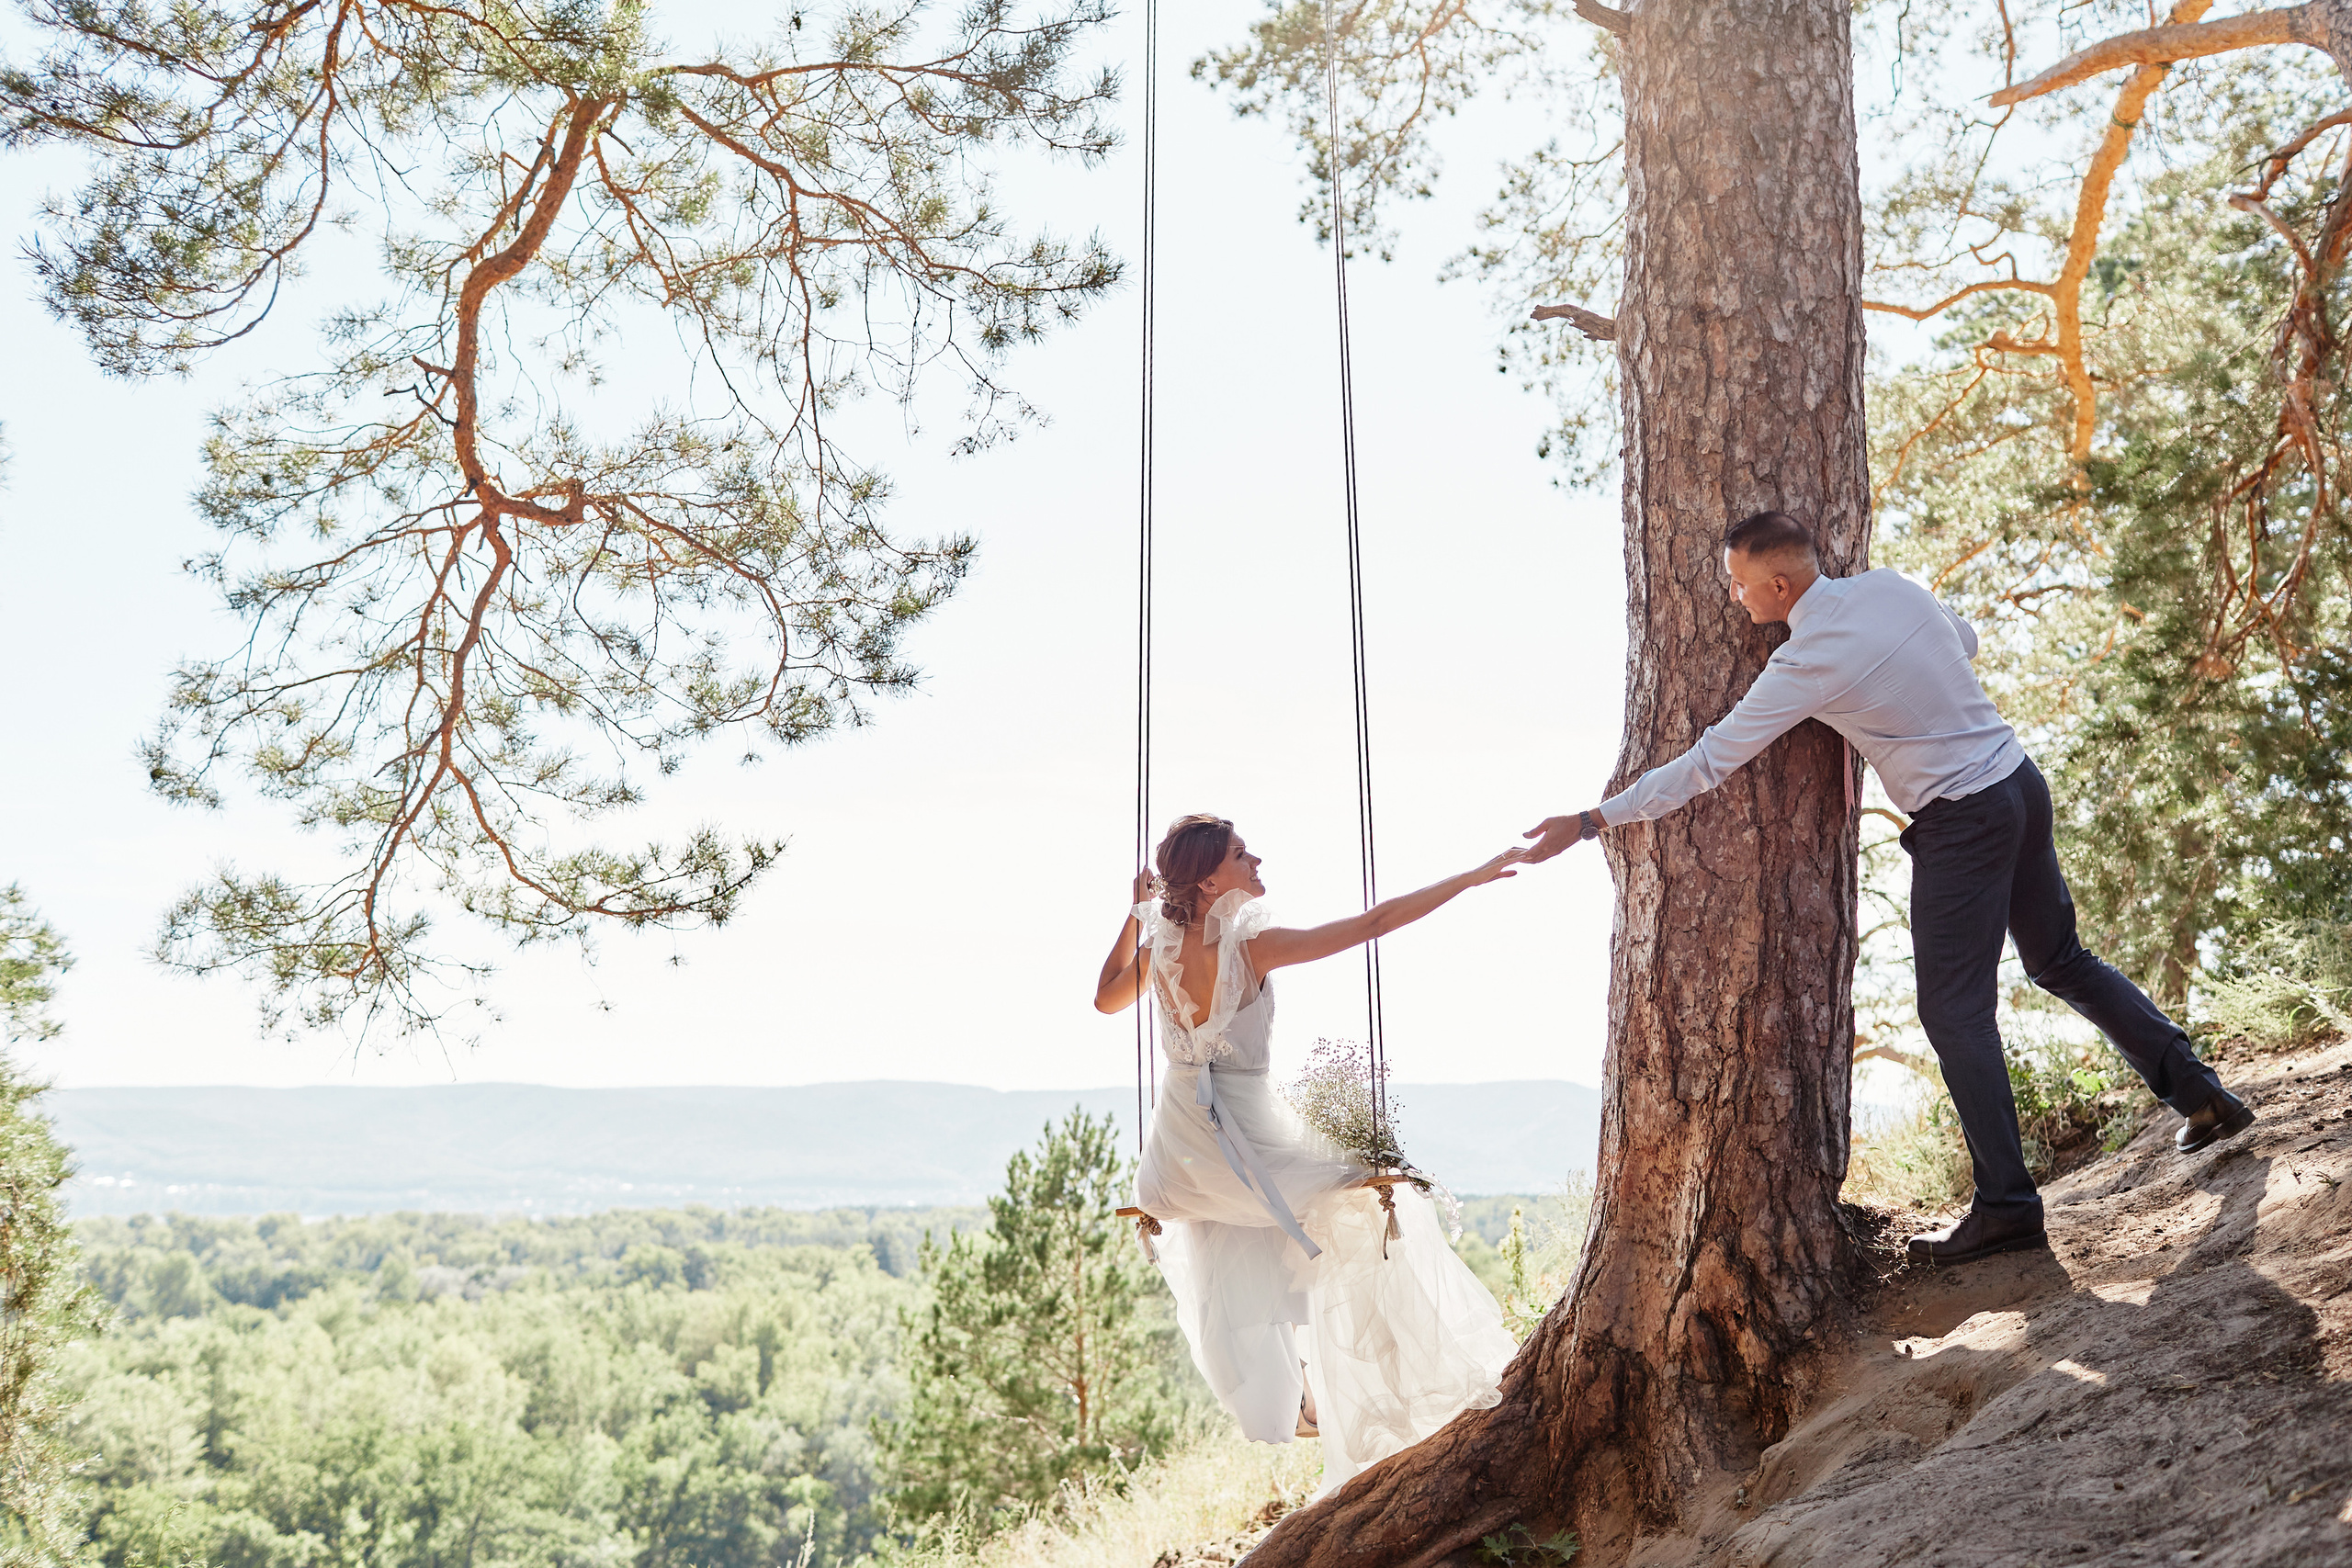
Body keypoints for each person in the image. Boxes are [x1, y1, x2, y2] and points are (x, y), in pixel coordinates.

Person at [1523, 509, 2256, 1267]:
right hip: (2018, 782)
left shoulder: (1804, 663)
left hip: (1964, 821)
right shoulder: (1892, 588)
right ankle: (2204, 1095)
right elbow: (1964, 641)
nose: (1735, 600)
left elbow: (1709, 761)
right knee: (2061, 959)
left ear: (1779, 584)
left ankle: (2007, 1205)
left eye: (1740, 586)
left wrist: (1591, 819)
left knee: (1953, 1010)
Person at [1092, 814, 1522, 1494]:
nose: (1256, 858)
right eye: (1241, 853)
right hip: (1237, 1142)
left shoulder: (1160, 948)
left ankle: (1309, 1401)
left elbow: (1104, 998)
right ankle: (1360, 1395)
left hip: (1181, 1156)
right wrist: (1467, 879)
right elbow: (1372, 923)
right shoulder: (1250, 947)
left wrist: (1133, 918)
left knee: (1254, 1245)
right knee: (1371, 1212)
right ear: (1209, 879)